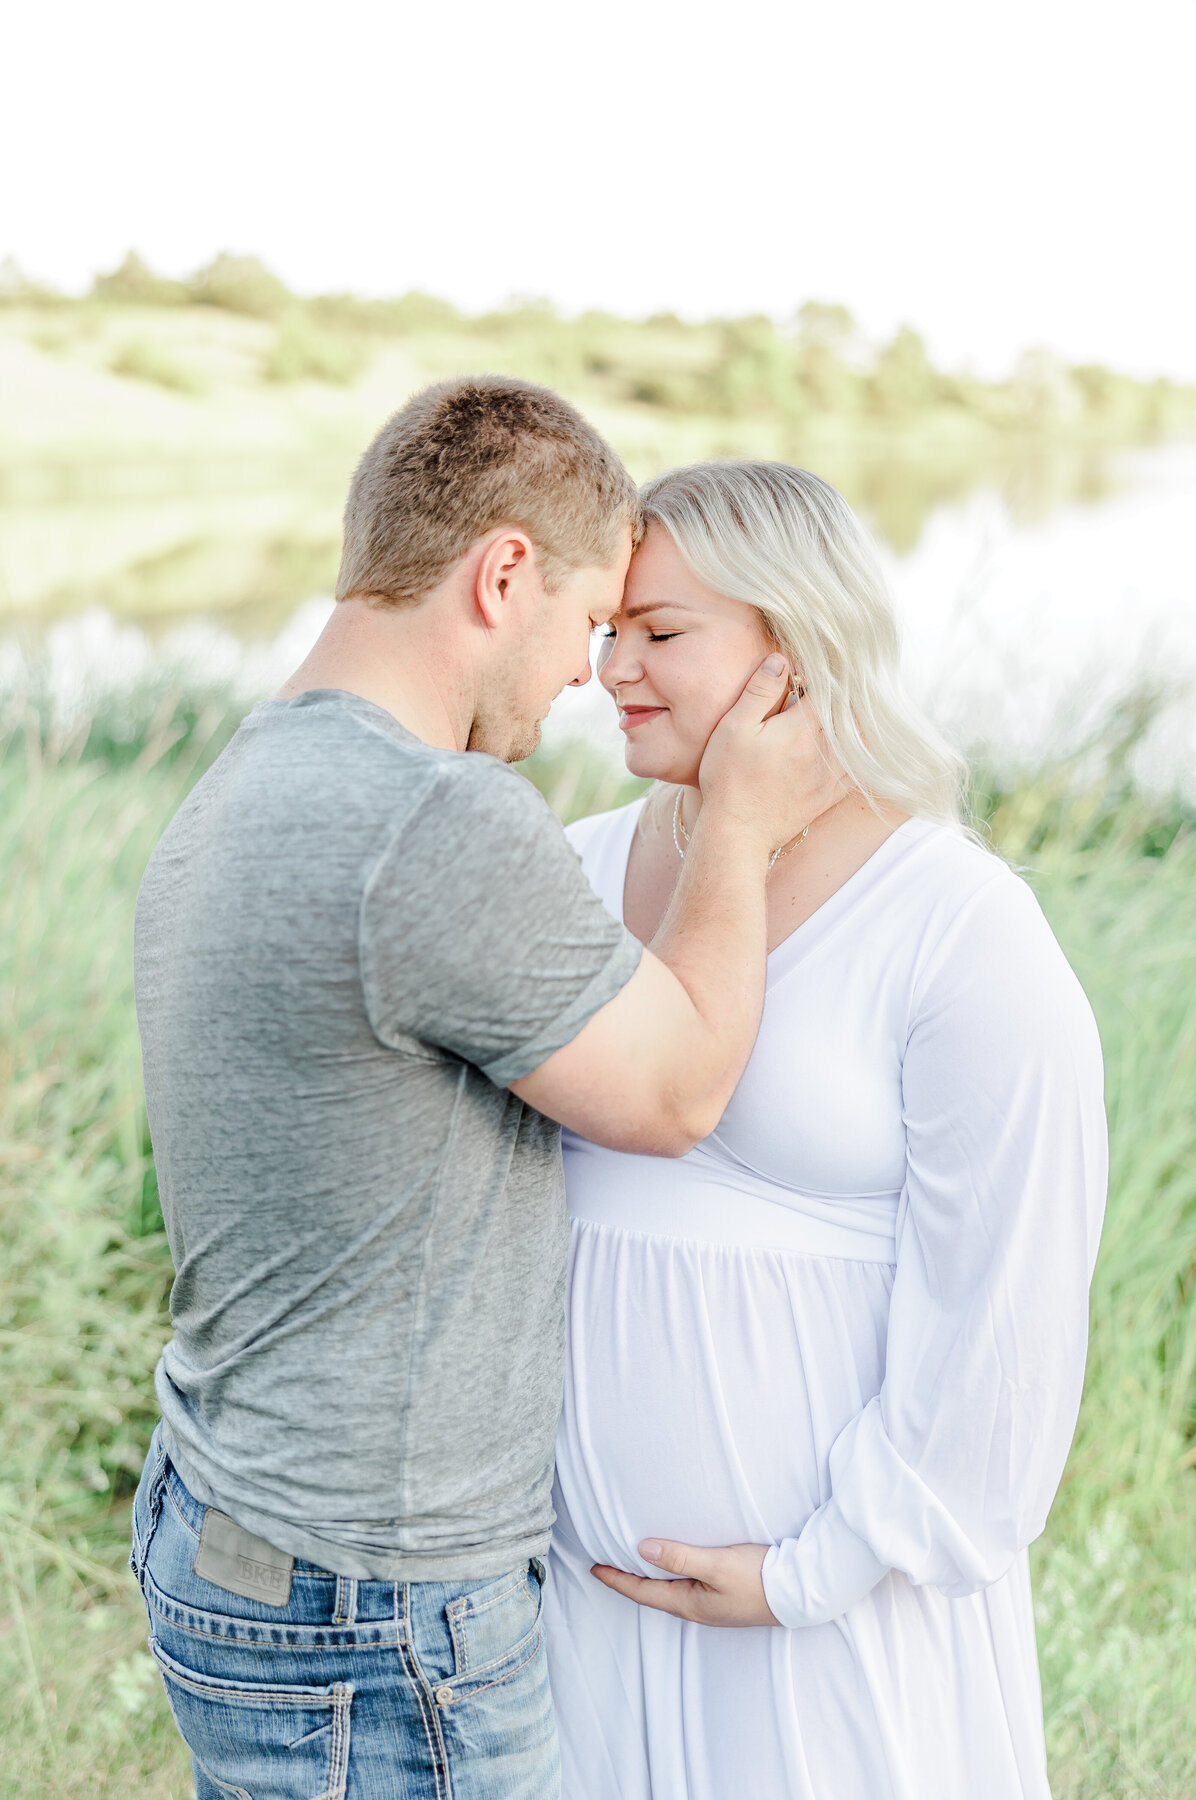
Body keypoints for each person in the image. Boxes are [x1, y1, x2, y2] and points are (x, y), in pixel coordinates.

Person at [128, 379, 838, 1800]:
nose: (592, 673)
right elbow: (680, 1088)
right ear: (503, 572)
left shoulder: (243, 784)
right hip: (373, 1604)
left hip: (232, 1528)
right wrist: (745, 824)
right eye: (590, 624)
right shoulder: (436, 820)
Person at [542, 460, 1108, 1800]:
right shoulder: (571, 870)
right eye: (607, 630)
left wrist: (821, 1572)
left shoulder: (960, 928)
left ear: (793, 653)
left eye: (662, 634)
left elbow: (1008, 1310)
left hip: (841, 1618)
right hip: (583, 1596)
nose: (613, 668)